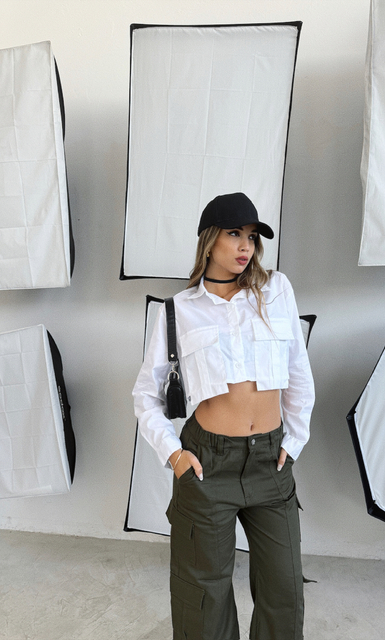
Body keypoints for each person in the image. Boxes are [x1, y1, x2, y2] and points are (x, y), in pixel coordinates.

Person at [133, 192, 315, 640]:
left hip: (270, 461)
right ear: (209, 239)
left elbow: (298, 371)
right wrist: (175, 455)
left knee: (285, 589)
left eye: (252, 236)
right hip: (207, 463)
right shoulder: (179, 310)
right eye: (234, 234)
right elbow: (145, 395)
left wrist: (293, 441)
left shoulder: (276, 290)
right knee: (203, 593)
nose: (245, 246)